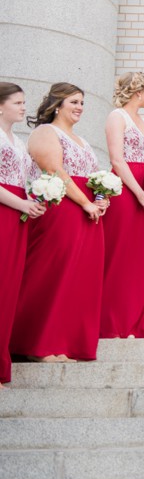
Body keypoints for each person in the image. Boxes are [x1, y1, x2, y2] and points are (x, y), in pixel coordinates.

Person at [12, 83, 107, 363]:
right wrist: (86, 202)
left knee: (79, 278)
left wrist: (101, 198)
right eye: (73, 102)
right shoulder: (45, 132)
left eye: (82, 102)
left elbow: (91, 176)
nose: (79, 107)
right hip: (61, 209)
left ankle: (65, 343)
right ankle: (35, 345)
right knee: (52, 274)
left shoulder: (83, 140)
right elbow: (55, 170)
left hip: (87, 212)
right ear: (57, 105)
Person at [101, 72, 144, 339]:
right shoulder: (117, 117)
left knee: (140, 256)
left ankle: (134, 321)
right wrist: (138, 193)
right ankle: (113, 322)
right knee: (121, 253)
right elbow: (117, 159)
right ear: (137, 92)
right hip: (125, 189)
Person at [0, 83, 45, 387]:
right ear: (1, 106)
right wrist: (22, 204)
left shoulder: (18, 141)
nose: (23, 107)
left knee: (10, 286)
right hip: (6, 211)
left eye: (24, 102)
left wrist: (39, 197)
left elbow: (31, 180)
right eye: (18, 102)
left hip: (19, 218)